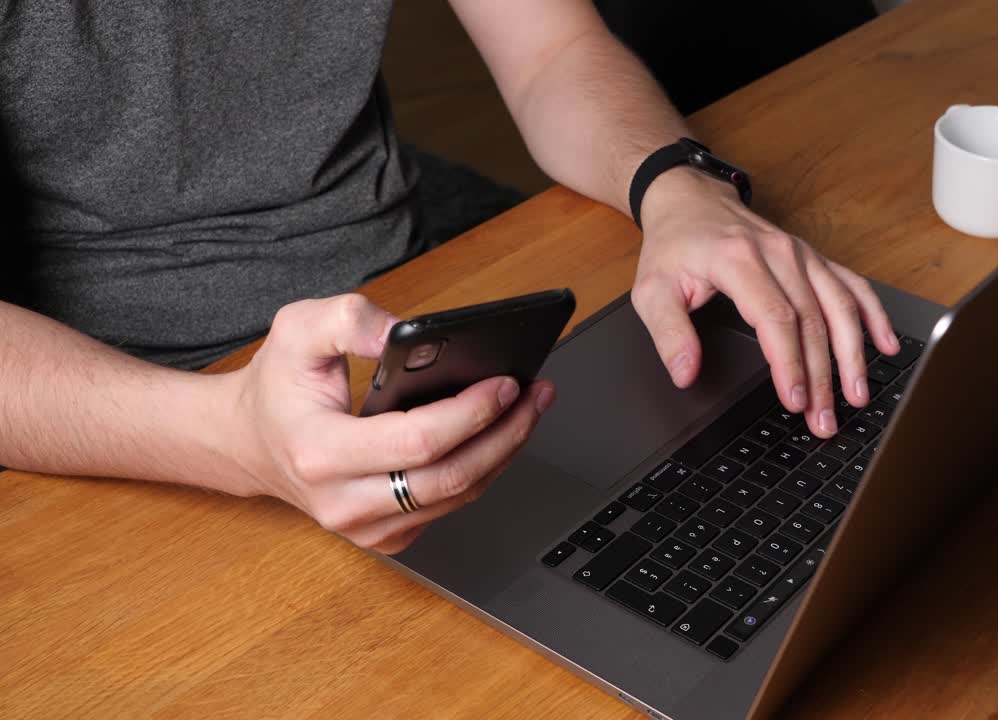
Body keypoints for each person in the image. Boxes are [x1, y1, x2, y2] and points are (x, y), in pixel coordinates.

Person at [0, 0, 899, 554]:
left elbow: (552, 49)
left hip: (415, 320)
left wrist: (677, 185)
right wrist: (232, 437)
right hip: (124, 415)